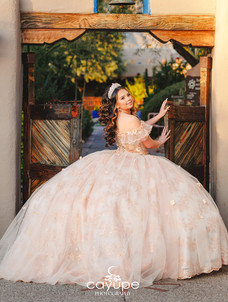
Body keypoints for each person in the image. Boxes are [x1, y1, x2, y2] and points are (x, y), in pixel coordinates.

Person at [0, 82, 228, 291]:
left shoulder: (121, 119)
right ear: (116, 104)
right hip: (140, 163)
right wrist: (160, 141)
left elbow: (138, 129)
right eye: (122, 98)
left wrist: (157, 116)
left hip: (119, 159)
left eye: (128, 95)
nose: (128, 99)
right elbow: (148, 143)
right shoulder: (133, 120)